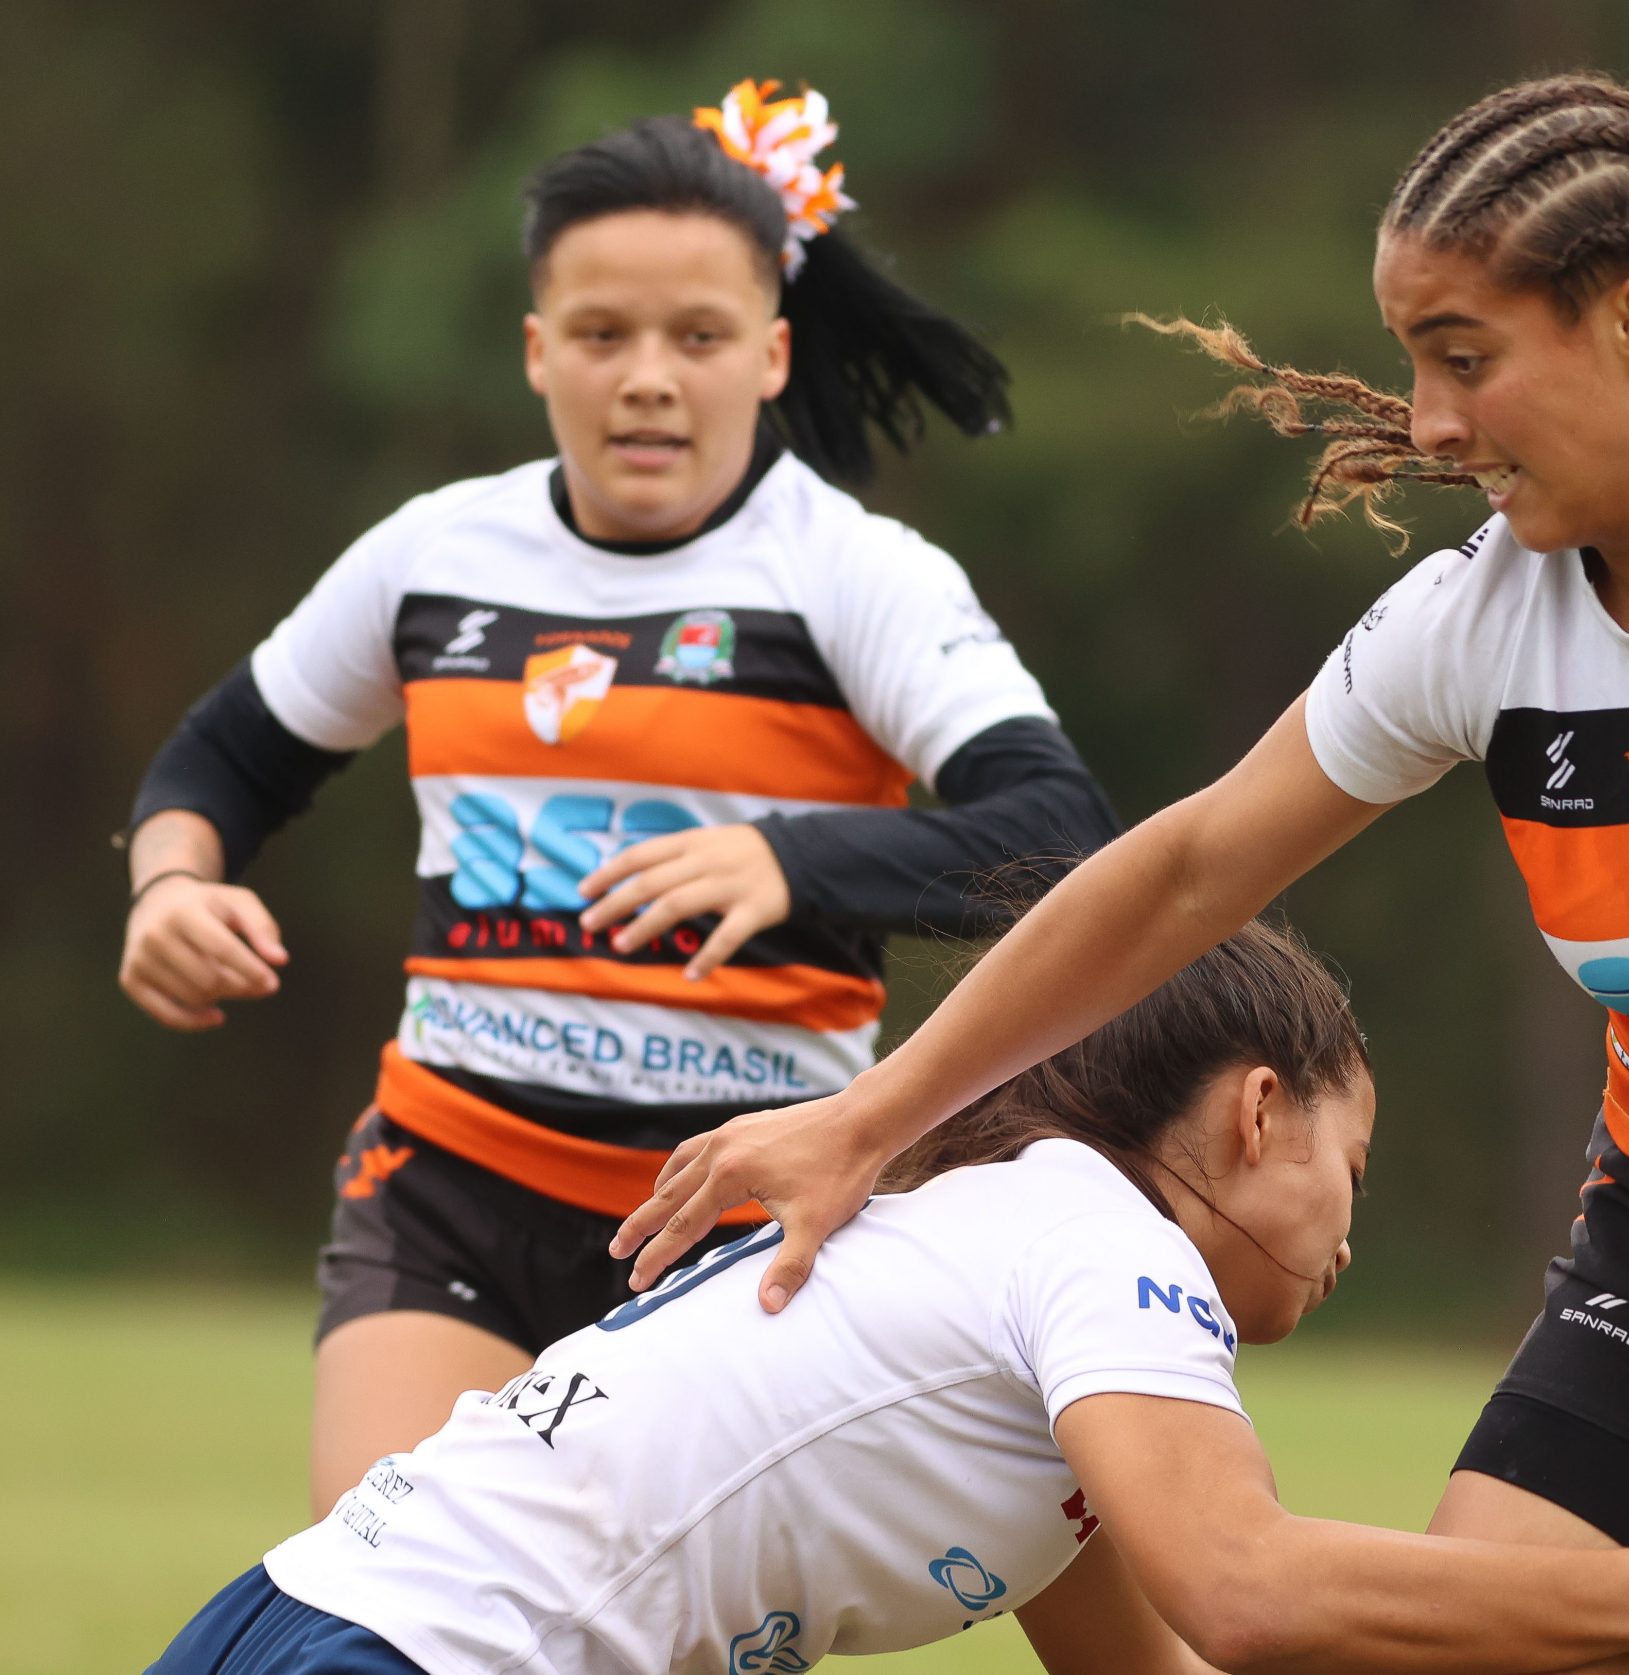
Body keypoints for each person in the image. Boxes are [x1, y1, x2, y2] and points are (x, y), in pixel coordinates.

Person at [609, 73, 1629, 1675]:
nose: (1426, 422)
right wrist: (869, 1118)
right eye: (1414, 359)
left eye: (1465, 356)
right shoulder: (1478, 619)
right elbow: (1189, 866)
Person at [117, 81, 1121, 1517]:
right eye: (602, 335)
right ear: (538, 351)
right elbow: (222, 761)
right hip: (447, 1182)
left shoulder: (856, 574)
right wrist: (170, 880)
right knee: (395, 1603)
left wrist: (795, 861)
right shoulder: (432, 555)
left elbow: (1061, 834)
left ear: (771, 353)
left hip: (739, 1217)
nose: (648, 376)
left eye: (697, 337)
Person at [146, 919, 1629, 1675]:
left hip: (312, 1621)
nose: (1352, 1238)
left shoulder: (1028, 1296)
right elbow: (1255, 1591)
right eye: (1354, 1167)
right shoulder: (1098, 1240)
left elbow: (1187, 1663)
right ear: (1257, 1111)